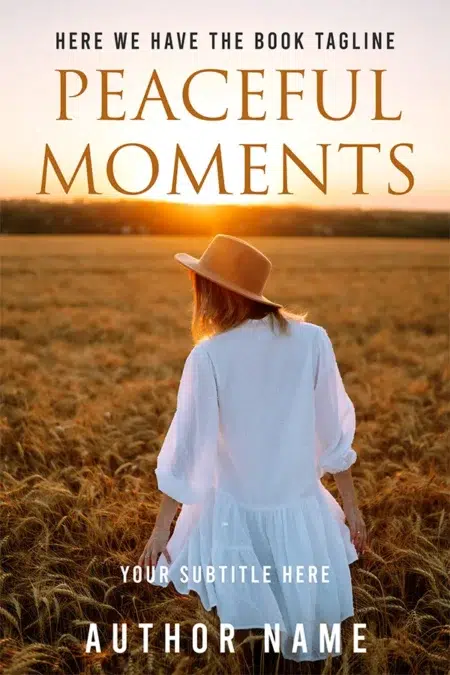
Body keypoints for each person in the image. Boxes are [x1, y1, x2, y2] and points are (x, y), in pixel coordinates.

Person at [138, 234, 367, 662]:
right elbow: (333, 431)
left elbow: (188, 450)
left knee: (245, 645)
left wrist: (162, 528)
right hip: (299, 509)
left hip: (231, 515)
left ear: (217, 292)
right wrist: (351, 507)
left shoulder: (209, 357)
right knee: (297, 632)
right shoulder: (313, 340)